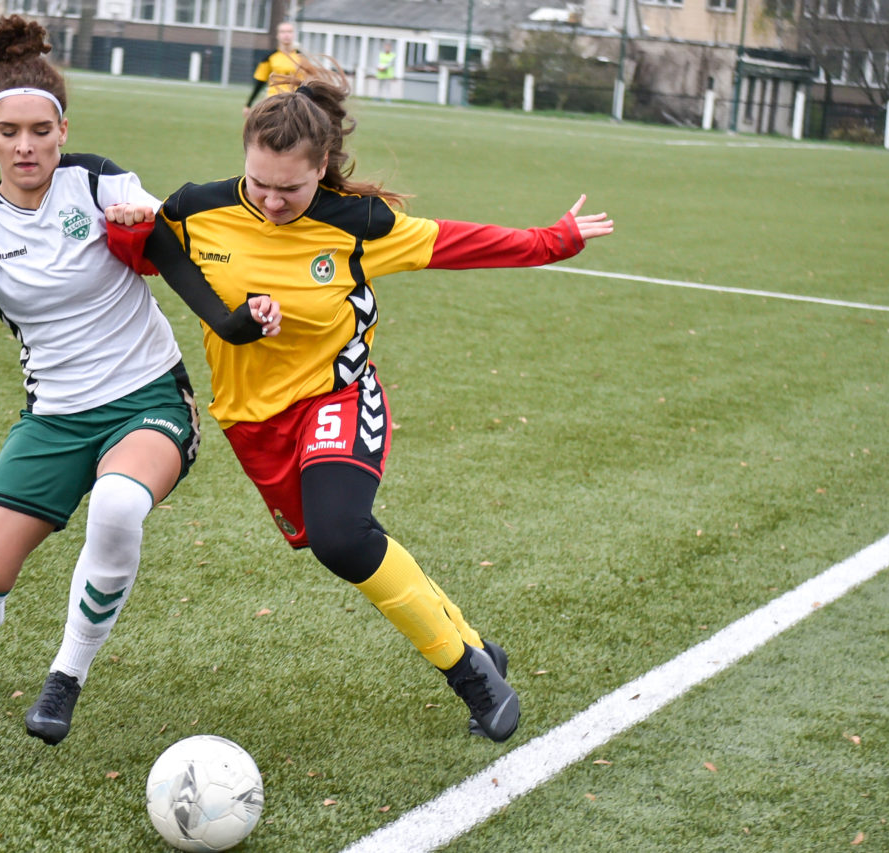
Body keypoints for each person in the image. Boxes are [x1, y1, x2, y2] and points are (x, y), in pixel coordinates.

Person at [104, 64, 613, 743]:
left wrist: (556, 240)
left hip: (336, 397)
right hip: (252, 420)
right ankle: (477, 648)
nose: (272, 202)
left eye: (290, 189)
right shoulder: (197, 208)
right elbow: (149, 259)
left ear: (322, 169)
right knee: (331, 540)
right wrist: (128, 226)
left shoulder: (360, 224)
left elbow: (462, 244)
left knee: (342, 537)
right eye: (259, 184)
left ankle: (469, 673)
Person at [0, 15, 279, 748]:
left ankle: (66, 675)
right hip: (55, 419)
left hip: (147, 399)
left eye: (41, 130)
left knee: (118, 504)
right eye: (10, 131)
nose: (26, 145)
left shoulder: (100, 182)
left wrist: (233, 322)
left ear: (62, 130)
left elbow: (172, 256)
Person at [244, 21, 307, 116]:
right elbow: (260, 82)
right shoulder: (269, 57)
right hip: (273, 101)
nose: (286, 35)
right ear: (278, 35)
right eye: (283, 32)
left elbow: (305, 83)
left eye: (289, 32)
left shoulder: (302, 58)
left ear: (294, 35)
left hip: (294, 103)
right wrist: (248, 104)